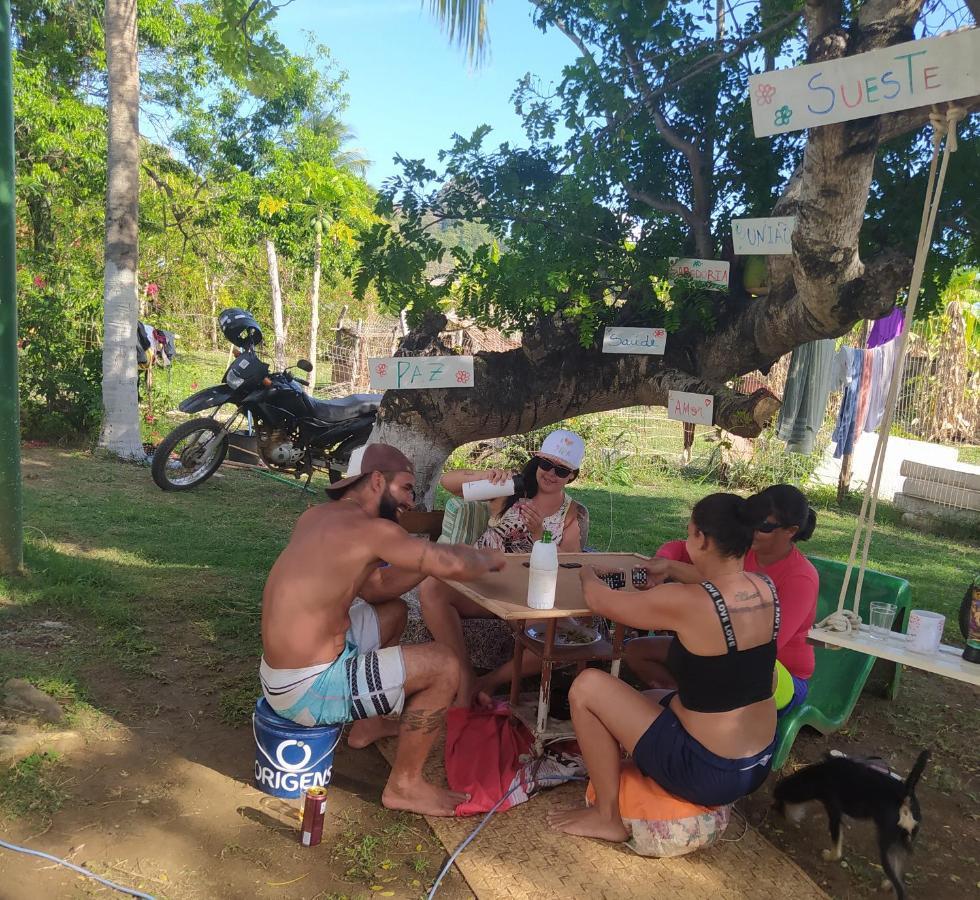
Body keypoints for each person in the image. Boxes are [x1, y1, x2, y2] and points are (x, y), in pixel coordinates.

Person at [260, 443, 505, 817]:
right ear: (377, 481)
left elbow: (376, 588)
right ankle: (404, 787)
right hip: (305, 692)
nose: (412, 500)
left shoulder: (317, 516)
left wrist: (429, 562)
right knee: (444, 664)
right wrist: (491, 557)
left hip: (281, 674)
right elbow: (453, 563)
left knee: (391, 613)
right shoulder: (371, 529)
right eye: (407, 488)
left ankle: (367, 727)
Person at [549, 493, 779, 841]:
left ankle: (606, 816)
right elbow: (713, 583)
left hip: (706, 771)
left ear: (701, 538)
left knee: (587, 686)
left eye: (689, 533)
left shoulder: (686, 602)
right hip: (755, 764)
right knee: (655, 696)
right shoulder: (765, 588)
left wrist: (587, 571)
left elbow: (600, 602)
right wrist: (670, 568)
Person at [419, 429, 589, 706]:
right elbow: (447, 482)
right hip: (484, 583)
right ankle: (464, 678)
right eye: (546, 464)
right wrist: (486, 476)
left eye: (561, 470)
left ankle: (489, 681)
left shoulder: (573, 513)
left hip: (531, 593)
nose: (550, 473)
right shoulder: (511, 488)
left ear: (572, 475)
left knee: (569, 640)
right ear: (537, 461)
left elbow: (574, 564)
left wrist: (539, 536)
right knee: (432, 588)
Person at [624, 484, 818, 716]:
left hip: (777, 673)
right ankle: (685, 707)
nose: (753, 530)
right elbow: (682, 551)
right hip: (726, 652)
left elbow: (765, 647)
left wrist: (697, 634)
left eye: (764, 526)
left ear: (791, 531)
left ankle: (698, 711)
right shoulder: (743, 550)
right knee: (636, 651)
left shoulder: (801, 578)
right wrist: (664, 564)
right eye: (751, 520)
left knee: (722, 669)